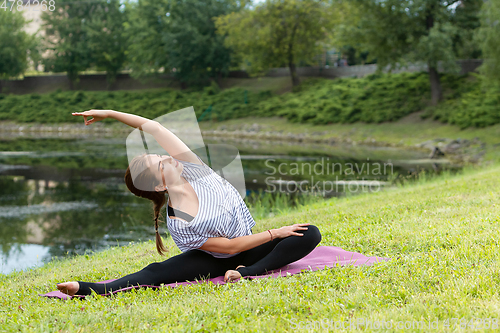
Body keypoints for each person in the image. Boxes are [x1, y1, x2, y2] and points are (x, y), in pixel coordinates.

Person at [56, 109, 322, 296]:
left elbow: (155, 128)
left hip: (249, 251)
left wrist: (111, 114)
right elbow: (228, 248)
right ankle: (87, 288)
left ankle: (246, 272)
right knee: (154, 273)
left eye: (161, 155)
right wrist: (275, 232)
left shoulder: (195, 169)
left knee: (309, 233)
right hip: (213, 259)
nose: (168, 158)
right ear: (160, 186)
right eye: (161, 163)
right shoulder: (179, 222)